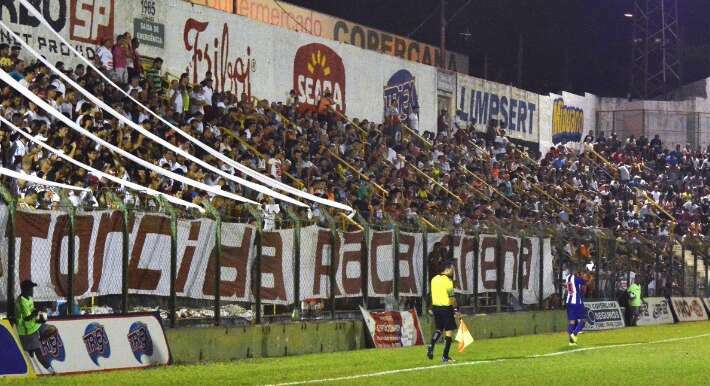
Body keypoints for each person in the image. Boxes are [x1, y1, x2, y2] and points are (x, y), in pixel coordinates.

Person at [427, 259, 460, 362]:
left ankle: (431, 346)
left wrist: (431, 307)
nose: (453, 271)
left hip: (436, 308)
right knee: (449, 332)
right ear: (448, 268)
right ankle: (445, 356)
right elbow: (452, 298)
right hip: (446, 308)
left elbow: (432, 295)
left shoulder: (434, 279)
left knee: (439, 329)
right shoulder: (448, 282)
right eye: (453, 269)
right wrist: (456, 310)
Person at [15, 280, 51, 358]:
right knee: (36, 351)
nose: (32, 291)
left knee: (44, 310)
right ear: (25, 290)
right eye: (30, 289)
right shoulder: (21, 302)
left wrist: (39, 310)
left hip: (31, 323)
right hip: (25, 328)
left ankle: (41, 337)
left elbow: (32, 311)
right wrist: (36, 312)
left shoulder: (29, 298)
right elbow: (27, 318)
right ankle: (33, 345)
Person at [565, 268, 587, 345]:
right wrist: (585, 278)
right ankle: (574, 334)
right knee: (583, 319)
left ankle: (571, 342)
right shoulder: (577, 279)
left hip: (568, 302)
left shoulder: (567, 277)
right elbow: (584, 284)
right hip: (577, 302)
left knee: (572, 321)